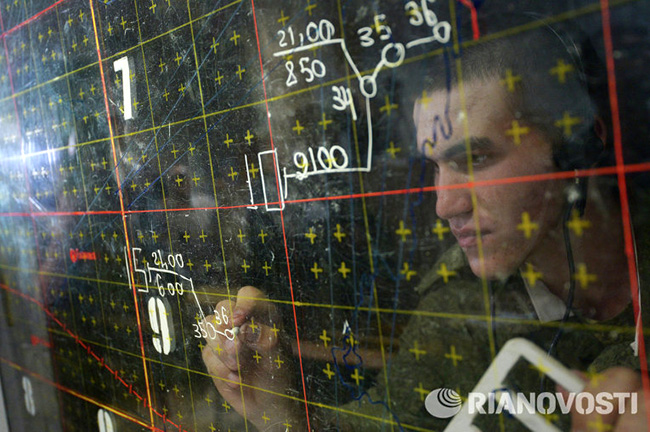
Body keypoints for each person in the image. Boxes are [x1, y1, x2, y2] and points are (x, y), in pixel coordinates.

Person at [201, 19, 650, 432]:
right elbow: (389, 422)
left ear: (577, 146)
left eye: (475, 158)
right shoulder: (462, 301)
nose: (445, 205)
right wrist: (278, 408)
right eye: (436, 167)